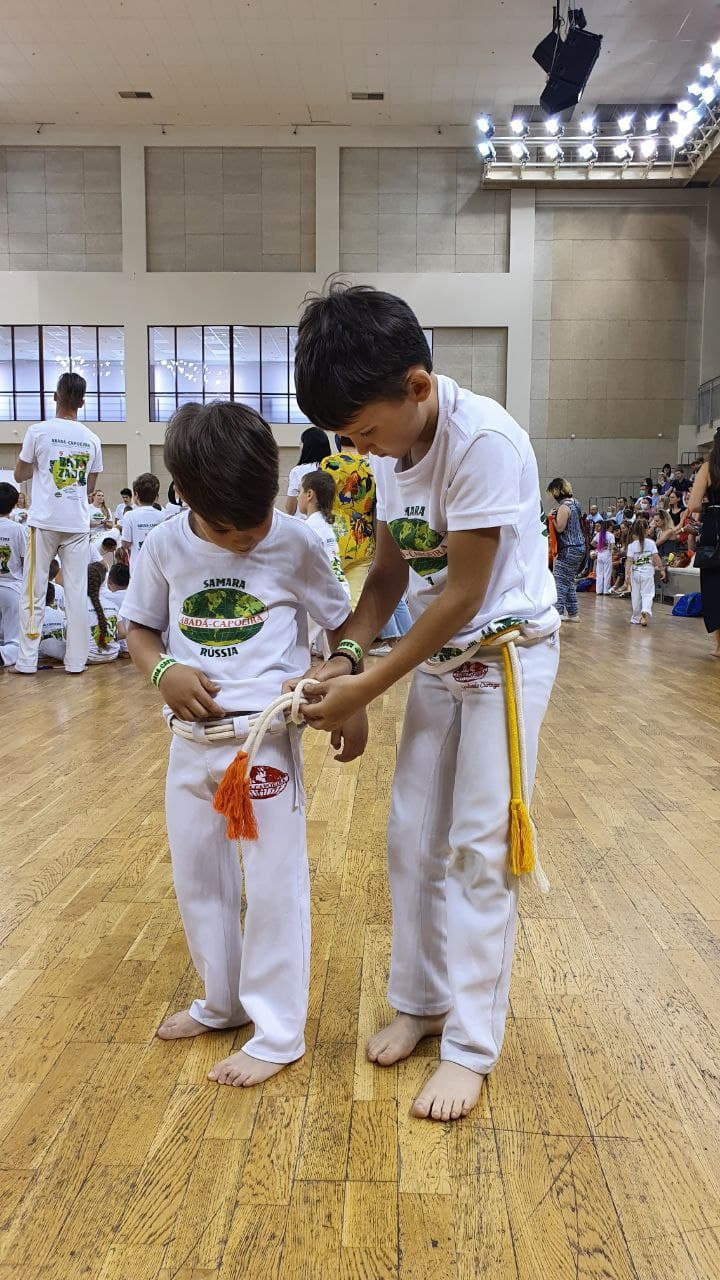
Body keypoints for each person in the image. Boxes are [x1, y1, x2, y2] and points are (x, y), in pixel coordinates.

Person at [293, 282, 559, 1122]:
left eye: (363, 430)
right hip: (442, 661)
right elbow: (390, 574)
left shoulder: (485, 441)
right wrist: (344, 655)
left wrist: (371, 683)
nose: (356, 447)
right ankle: (423, 1000)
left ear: (416, 385)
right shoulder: (381, 447)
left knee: (481, 849)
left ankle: (473, 1047)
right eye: (346, 437)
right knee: (410, 837)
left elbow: (464, 594)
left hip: (506, 657)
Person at [121, 401, 356, 1089]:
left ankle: (278, 1033)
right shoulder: (165, 544)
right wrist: (163, 670)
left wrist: (343, 687)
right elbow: (139, 631)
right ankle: (221, 1002)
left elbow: (344, 631)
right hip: (190, 743)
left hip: (266, 744)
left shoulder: (297, 542)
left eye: (259, 518)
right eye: (232, 527)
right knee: (200, 879)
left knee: (274, 883)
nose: (251, 535)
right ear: (185, 494)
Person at [13, 372, 103, 676]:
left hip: (45, 521)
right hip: (77, 523)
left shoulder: (38, 432)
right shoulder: (92, 439)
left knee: (34, 591)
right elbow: (90, 485)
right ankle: (76, 662)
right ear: (82, 401)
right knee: (76, 594)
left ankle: (26, 661)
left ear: (55, 396)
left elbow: (19, 474)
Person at [320, 437, 376, 605]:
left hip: (333, 538)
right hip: (363, 539)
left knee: (329, 600)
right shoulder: (372, 465)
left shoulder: (329, 463)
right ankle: (351, 631)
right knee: (355, 600)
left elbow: (320, 498)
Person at [685, 433, 720, 658]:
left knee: (714, 586)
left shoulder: (708, 468)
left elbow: (694, 504)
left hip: (715, 526)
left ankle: (719, 644)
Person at [297, 470, 351, 598]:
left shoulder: (308, 529)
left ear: (309, 494)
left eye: (299, 492)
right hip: (340, 595)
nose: (297, 497)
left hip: (327, 600)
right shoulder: (325, 525)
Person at [547, 478, 584, 622]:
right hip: (579, 547)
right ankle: (573, 613)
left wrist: (551, 518)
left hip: (569, 547)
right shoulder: (576, 503)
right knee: (568, 581)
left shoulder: (563, 507)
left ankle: (557, 613)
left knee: (559, 580)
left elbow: (560, 527)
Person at [0, 482, 27, 668]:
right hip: (11, 588)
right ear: (15, 504)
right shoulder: (18, 529)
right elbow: (27, 562)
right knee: (14, 640)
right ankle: (5, 655)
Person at [120, 473, 165, 572]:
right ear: (156, 497)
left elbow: (126, 543)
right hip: (159, 567)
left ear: (136, 495)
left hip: (138, 567)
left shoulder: (129, 516)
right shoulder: (163, 515)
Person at [626, 519, 666, 627]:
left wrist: (627, 575)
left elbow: (629, 561)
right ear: (647, 530)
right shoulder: (651, 543)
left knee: (636, 595)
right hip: (647, 572)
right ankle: (644, 612)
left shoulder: (631, 546)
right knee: (647, 594)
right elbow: (656, 557)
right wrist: (662, 569)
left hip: (635, 573)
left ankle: (635, 617)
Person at [285, 427, 333, 516]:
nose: (300, 445)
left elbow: (290, 508)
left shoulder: (298, 471)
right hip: (328, 522)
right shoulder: (333, 468)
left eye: (302, 442)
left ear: (307, 446)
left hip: (303, 524)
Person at [39, 582, 66, 662]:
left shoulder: (32, 616)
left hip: (38, 657)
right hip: (57, 657)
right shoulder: (61, 614)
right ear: (53, 598)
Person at [592, 519, 615, 594]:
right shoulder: (611, 535)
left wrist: (599, 547)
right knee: (607, 573)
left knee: (599, 573)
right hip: (607, 554)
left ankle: (598, 590)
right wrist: (607, 547)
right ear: (609, 527)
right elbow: (612, 546)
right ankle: (606, 590)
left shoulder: (599, 534)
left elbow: (592, 543)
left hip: (600, 554)